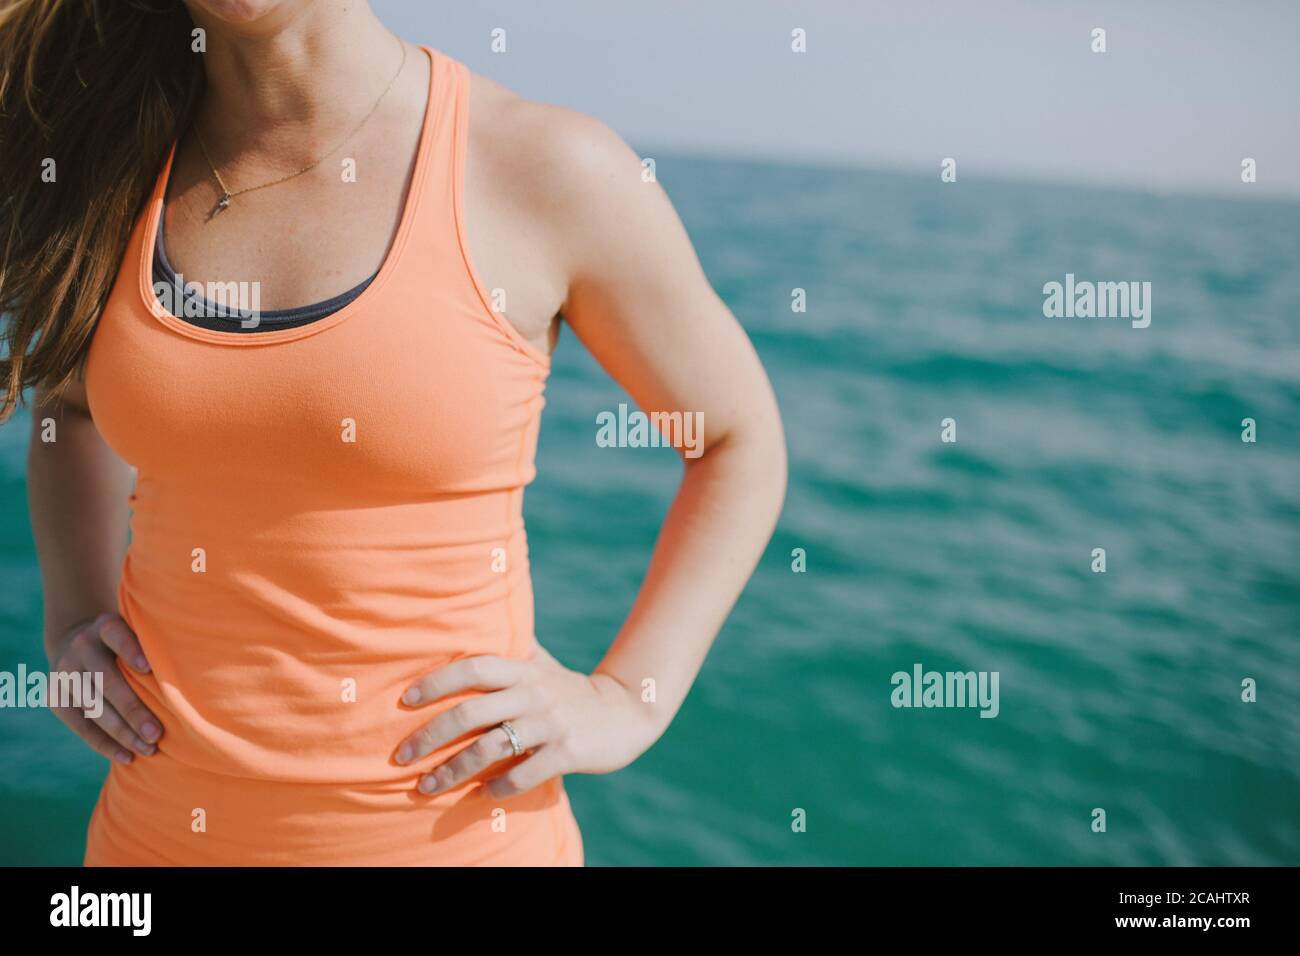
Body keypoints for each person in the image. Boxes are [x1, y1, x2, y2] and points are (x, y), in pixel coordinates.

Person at [2, 0, 786, 865]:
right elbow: (70, 407)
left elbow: (734, 439)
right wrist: (71, 614)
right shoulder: (113, 161)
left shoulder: (543, 165)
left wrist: (629, 697)